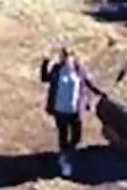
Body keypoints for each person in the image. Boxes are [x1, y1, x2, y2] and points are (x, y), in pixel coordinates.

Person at [39, 44, 96, 177]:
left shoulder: (79, 70)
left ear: (74, 56)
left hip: (75, 111)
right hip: (60, 110)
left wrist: (101, 93)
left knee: (77, 137)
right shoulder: (57, 69)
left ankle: (66, 153)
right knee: (63, 136)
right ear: (62, 56)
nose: (67, 57)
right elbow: (44, 78)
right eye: (65, 55)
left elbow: (89, 83)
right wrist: (45, 62)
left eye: (70, 55)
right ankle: (64, 160)